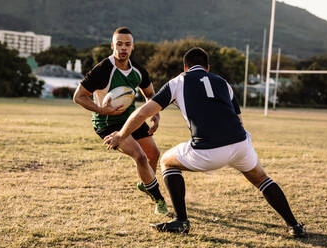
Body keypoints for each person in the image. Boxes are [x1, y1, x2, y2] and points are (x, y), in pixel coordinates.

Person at [103, 47, 307, 237]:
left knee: (166, 161)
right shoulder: (223, 82)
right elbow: (239, 119)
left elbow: (142, 112)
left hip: (208, 150)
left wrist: (120, 135)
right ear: (208, 68)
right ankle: (294, 225)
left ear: (185, 67)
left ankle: (181, 221)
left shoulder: (178, 81)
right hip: (240, 143)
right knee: (262, 178)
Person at [73, 27, 168, 215]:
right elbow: (78, 96)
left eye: (127, 44)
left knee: (154, 154)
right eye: (119, 44)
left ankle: (147, 182)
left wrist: (155, 114)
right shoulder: (102, 70)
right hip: (107, 123)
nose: (123, 48)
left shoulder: (138, 70)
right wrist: (101, 109)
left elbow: (150, 94)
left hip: (131, 120)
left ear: (133, 47)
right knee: (140, 156)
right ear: (112, 46)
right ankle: (159, 199)